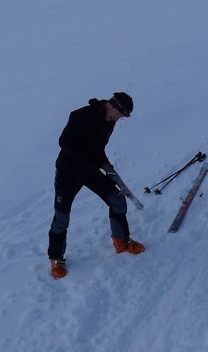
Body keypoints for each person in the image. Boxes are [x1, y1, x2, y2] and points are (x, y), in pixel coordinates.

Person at [47, 91, 145, 278]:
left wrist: (105, 164)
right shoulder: (83, 115)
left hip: (90, 171)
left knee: (118, 201)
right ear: (111, 105)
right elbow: (64, 141)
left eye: (121, 117)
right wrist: (91, 160)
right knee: (62, 217)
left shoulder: (109, 122)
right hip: (68, 173)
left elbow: (98, 147)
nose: (118, 120)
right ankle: (56, 258)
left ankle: (121, 242)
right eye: (119, 115)